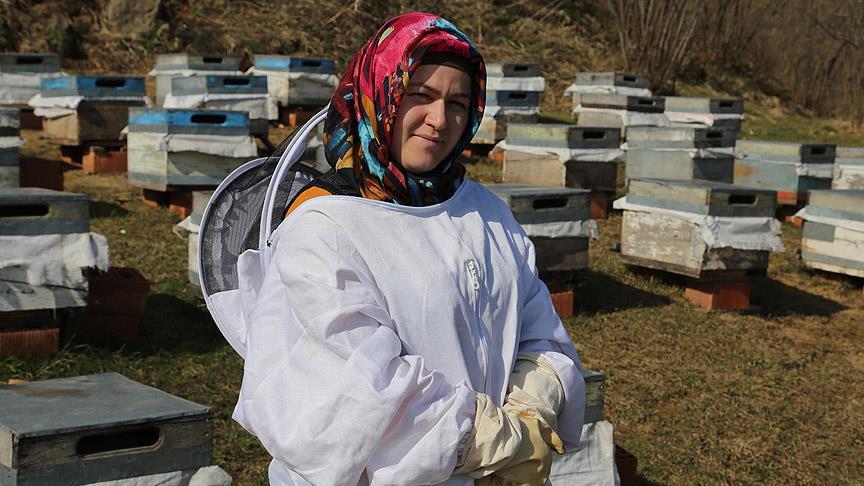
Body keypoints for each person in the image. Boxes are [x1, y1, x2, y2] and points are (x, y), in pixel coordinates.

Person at [232, 12, 585, 485]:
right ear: (381, 93)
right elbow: (351, 389)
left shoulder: (488, 214)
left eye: (457, 103)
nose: (440, 120)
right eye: (420, 94)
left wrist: (532, 408)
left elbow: (538, 330)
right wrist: (489, 441)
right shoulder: (322, 229)